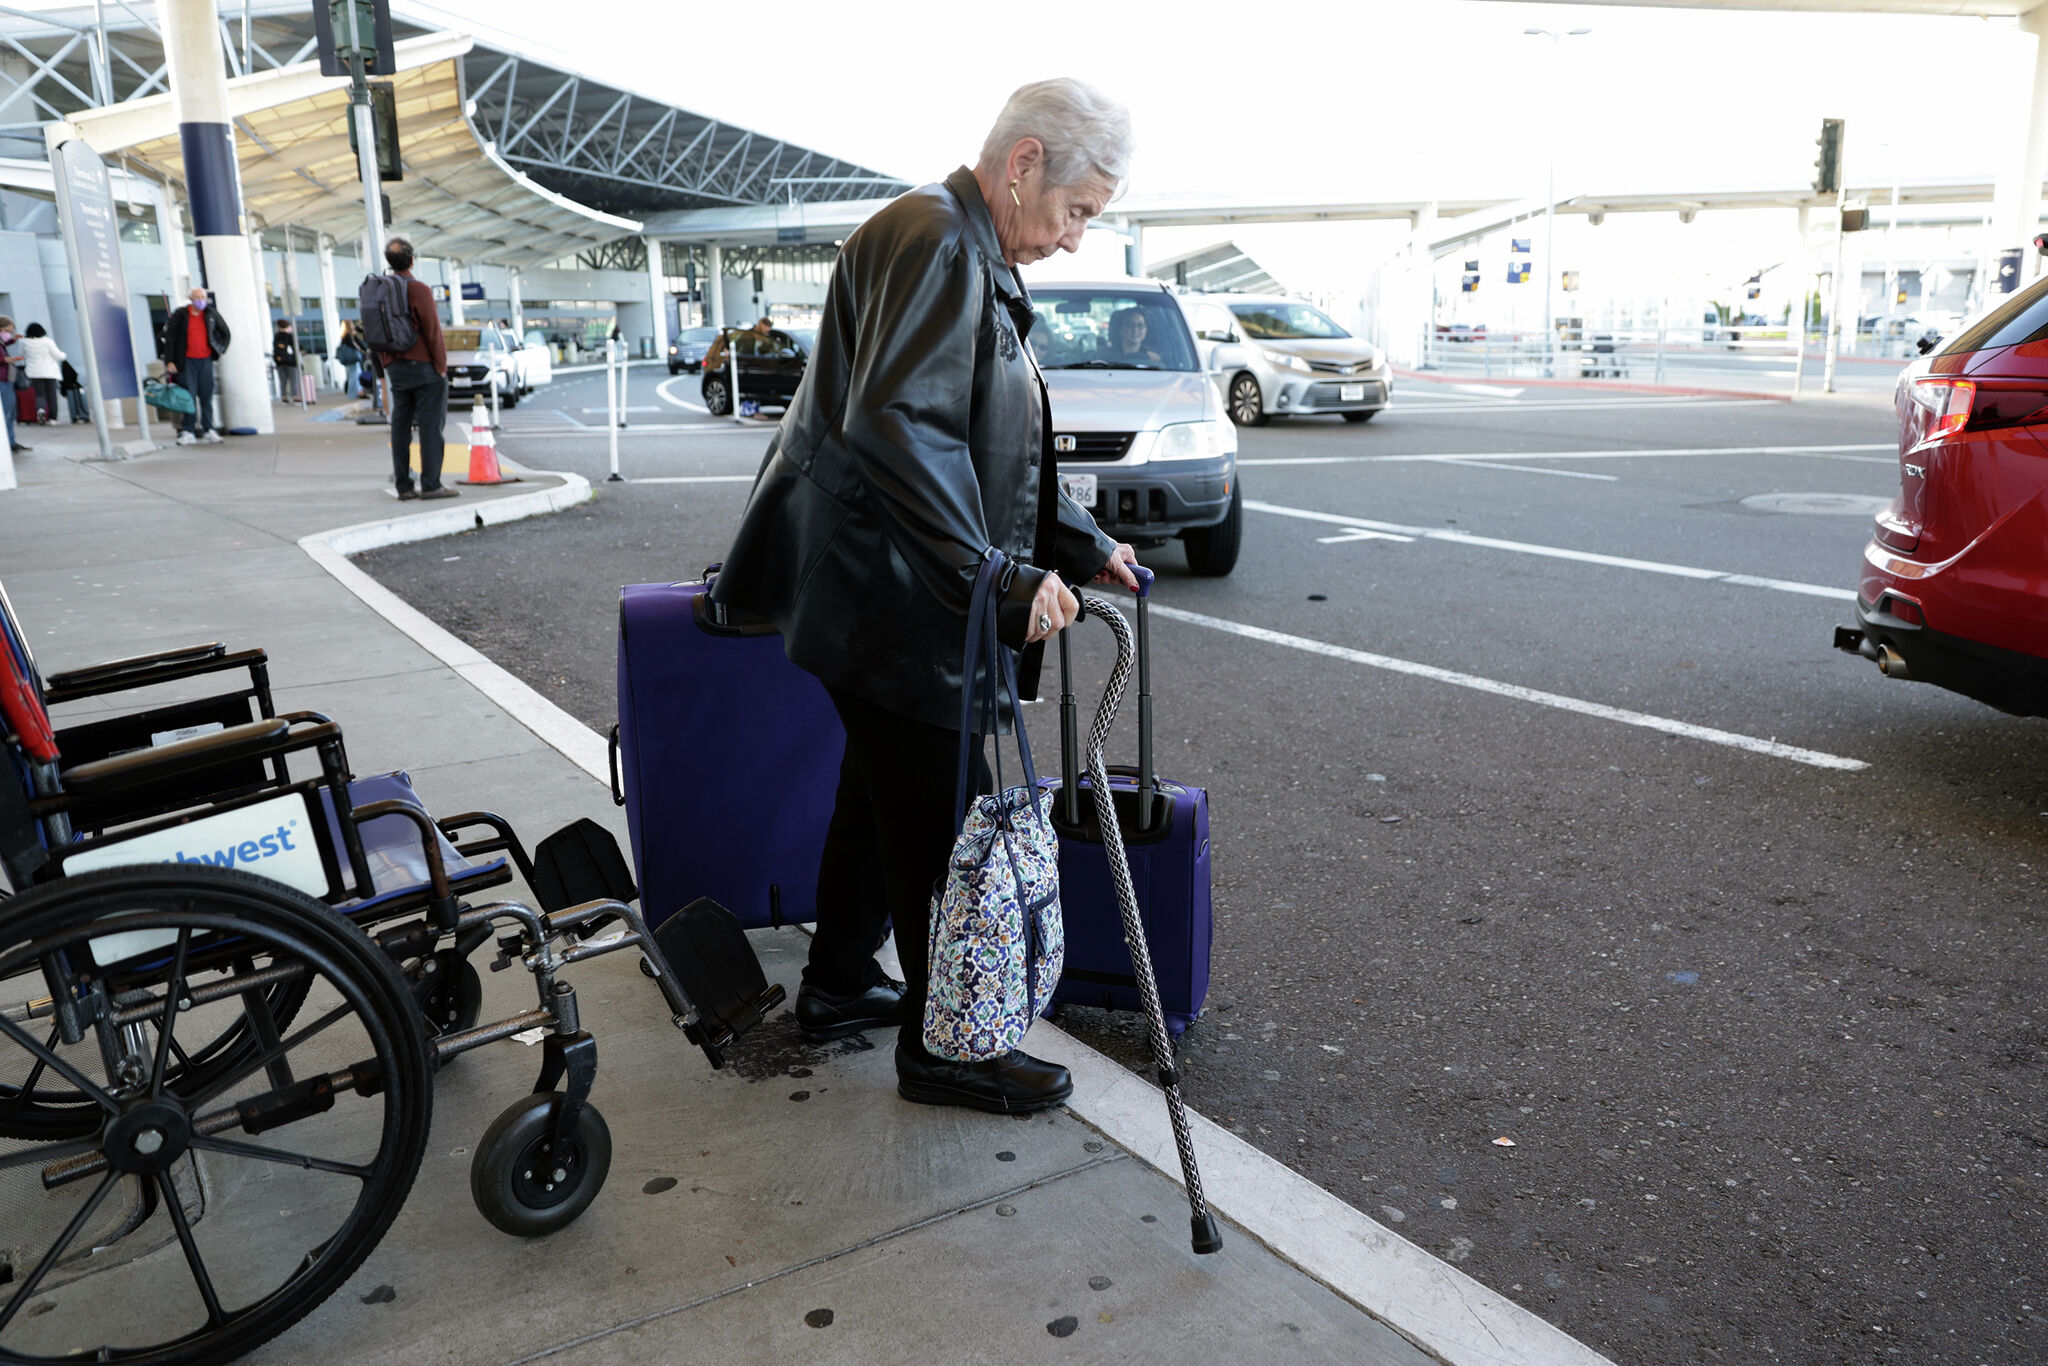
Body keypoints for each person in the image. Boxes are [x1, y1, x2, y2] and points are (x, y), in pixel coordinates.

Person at [712, 78, 1141, 1115]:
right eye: (1078, 209)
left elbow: (980, 437)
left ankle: (837, 981)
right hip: (893, 595)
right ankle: (947, 1045)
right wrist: (995, 576)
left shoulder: (954, 238)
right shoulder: (941, 241)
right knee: (941, 824)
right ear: (1023, 162)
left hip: (884, 590)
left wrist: (1076, 545)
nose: (1077, 238)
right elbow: (902, 424)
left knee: (881, 798)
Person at [372, 236, 454, 500]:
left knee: (400, 426)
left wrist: (386, 362)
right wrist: (441, 366)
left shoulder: (380, 288)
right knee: (430, 427)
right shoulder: (418, 289)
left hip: (395, 367)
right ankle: (431, 485)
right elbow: (432, 331)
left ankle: (404, 486)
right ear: (412, 260)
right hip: (424, 367)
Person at [161, 286, 229, 446]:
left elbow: (225, 333)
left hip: (205, 361)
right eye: (197, 297)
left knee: (206, 396)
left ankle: (209, 430)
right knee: (188, 398)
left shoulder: (211, 314)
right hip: (185, 362)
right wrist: (170, 361)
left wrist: (219, 350)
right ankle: (188, 431)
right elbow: (170, 338)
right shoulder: (180, 315)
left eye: (203, 297)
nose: (201, 300)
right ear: (191, 299)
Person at [18, 323, 61, 425]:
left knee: (40, 395)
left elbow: (20, 354)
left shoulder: (24, 342)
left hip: (34, 372)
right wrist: (64, 355)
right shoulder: (48, 341)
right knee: (52, 395)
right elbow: (58, 355)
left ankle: (41, 410)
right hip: (50, 372)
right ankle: (52, 418)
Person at [0, 318, 26, 454]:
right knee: (7, 413)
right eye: (7, 331)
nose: (8, 334)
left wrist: (14, 339)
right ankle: (9, 443)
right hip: (3, 380)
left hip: (6, 379)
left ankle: (11, 441)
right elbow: (1, 358)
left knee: (9, 413)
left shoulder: (2, 342)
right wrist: (14, 359)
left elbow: (4, 343)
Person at [272, 319, 300, 402]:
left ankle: (284, 396)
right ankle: (294, 396)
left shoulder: (276, 337)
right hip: (290, 362)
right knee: (293, 380)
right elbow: (295, 348)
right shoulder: (290, 337)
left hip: (280, 362)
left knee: (283, 380)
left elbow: (275, 349)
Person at [333, 322, 363, 399]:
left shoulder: (344, 336)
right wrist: (360, 349)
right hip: (352, 359)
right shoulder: (348, 336)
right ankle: (353, 394)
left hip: (350, 360)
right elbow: (355, 345)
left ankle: (355, 393)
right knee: (354, 376)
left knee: (353, 376)